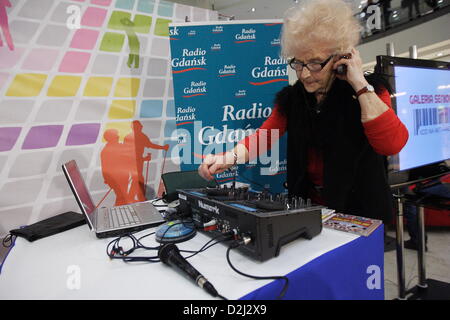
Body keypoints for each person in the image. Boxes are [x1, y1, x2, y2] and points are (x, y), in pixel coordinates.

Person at [198, 0, 409, 225]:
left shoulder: (370, 92)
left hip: (362, 209)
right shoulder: (292, 99)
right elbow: (264, 137)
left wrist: (358, 83)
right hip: (311, 208)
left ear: (341, 58)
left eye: (316, 63)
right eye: (299, 63)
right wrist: (225, 158)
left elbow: (391, 144)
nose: (305, 74)